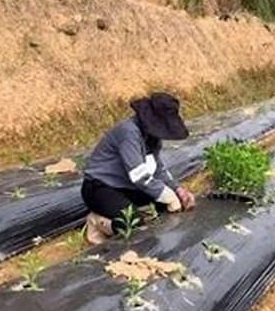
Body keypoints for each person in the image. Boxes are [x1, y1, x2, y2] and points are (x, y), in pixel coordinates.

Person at [80, 92, 196, 244]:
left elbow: (157, 169)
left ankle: (125, 210)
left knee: (161, 206)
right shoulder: (129, 133)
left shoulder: (151, 138)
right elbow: (139, 175)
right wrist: (167, 195)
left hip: (126, 186)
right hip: (100, 187)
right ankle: (97, 222)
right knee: (133, 223)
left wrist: (177, 190)